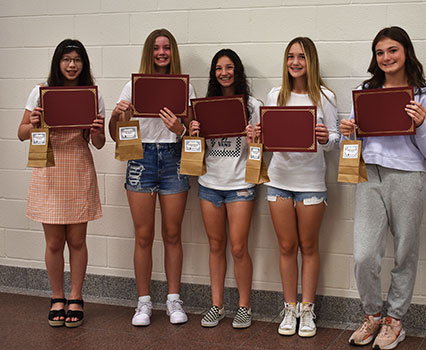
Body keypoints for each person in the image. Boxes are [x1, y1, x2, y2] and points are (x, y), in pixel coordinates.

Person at [340, 26, 426, 349]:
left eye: (392, 50)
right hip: (370, 175)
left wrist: (421, 124)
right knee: (364, 255)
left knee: (405, 252)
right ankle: (372, 314)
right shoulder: (365, 92)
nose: (386, 57)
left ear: (406, 52)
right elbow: (354, 139)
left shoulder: (423, 97)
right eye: (380, 52)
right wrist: (348, 131)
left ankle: (395, 320)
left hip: (408, 178)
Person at [108, 28, 196, 327]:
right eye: (156, 48)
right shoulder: (132, 87)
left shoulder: (186, 87)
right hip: (141, 159)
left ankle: (173, 300)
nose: (161, 53)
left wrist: (180, 130)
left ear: (173, 52)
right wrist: (118, 115)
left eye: (167, 48)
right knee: (143, 236)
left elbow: (193, 134)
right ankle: (143, 302)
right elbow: (113, 135)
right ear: (149, 52)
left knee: (172, 234)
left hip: (173, 159)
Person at [17, 39, 105, 328]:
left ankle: (76, 297)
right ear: (58, 62)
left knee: (77, 241)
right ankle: (57, 297)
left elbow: (100, 143)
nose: (71, 65)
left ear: (84, 64)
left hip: (78, 167)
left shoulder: (92, 95)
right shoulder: (41, 92)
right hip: (50, 168)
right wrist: (35, 123)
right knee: (54, 242)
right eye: (66, 59)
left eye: (77, 59)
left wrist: (96, 131)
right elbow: (21, 133)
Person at [254, 36, 339, 338]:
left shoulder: (325, 97)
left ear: (311, 61)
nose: (295, 62)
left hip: (311, 183)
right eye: (290, 56)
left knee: (309, 247)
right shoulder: (276, 94)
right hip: (279, 181)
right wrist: (257, 135)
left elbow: (335, 143)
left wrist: (326, 137)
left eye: (301, 56)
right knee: (286, 247)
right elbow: (267, 143)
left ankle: (307, 309)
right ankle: (289, 307)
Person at [188, 49, 262, 329]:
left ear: (237, 71)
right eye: (218, 68)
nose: (224, 73)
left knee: (239, 247)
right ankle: (216, 305)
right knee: (216, 246)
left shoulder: (253, 105)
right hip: (210, 185)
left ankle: (244, 307)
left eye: (229, 67)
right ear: (213, 73)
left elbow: (260, 151)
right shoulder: (204, 105)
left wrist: (255, 138)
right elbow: (197, 147)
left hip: (240, 185)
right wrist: (193, 132)